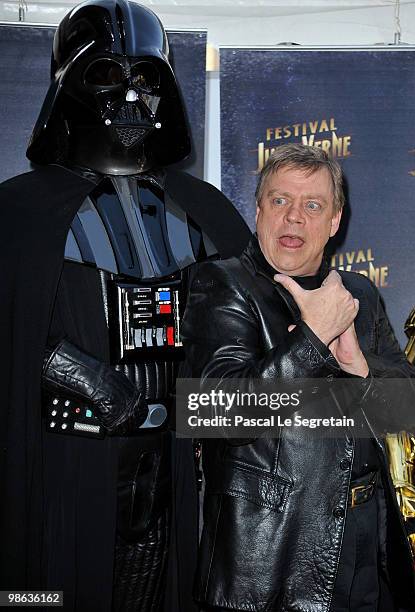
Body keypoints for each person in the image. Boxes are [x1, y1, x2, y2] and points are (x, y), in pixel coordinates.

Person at [0, 2, 250, 611]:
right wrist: (75, 370)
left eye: (148, 81)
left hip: (176, 464)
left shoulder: (205, 209)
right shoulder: (20, 213)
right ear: (67, 90)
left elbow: (245, 334)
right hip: (68, 460)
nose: (133, 102)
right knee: (50, 591)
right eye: (109, 79)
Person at [182, 143, 415, 612]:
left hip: (367, 540)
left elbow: (410, 406)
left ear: (334, 222)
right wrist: (314, 339)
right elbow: (218, 412)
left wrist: (358, 365)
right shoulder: (224, 283)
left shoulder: (357, 293)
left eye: (312, 205)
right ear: (258, 211)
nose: (294, 217)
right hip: (273, 553)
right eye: (280, 201)